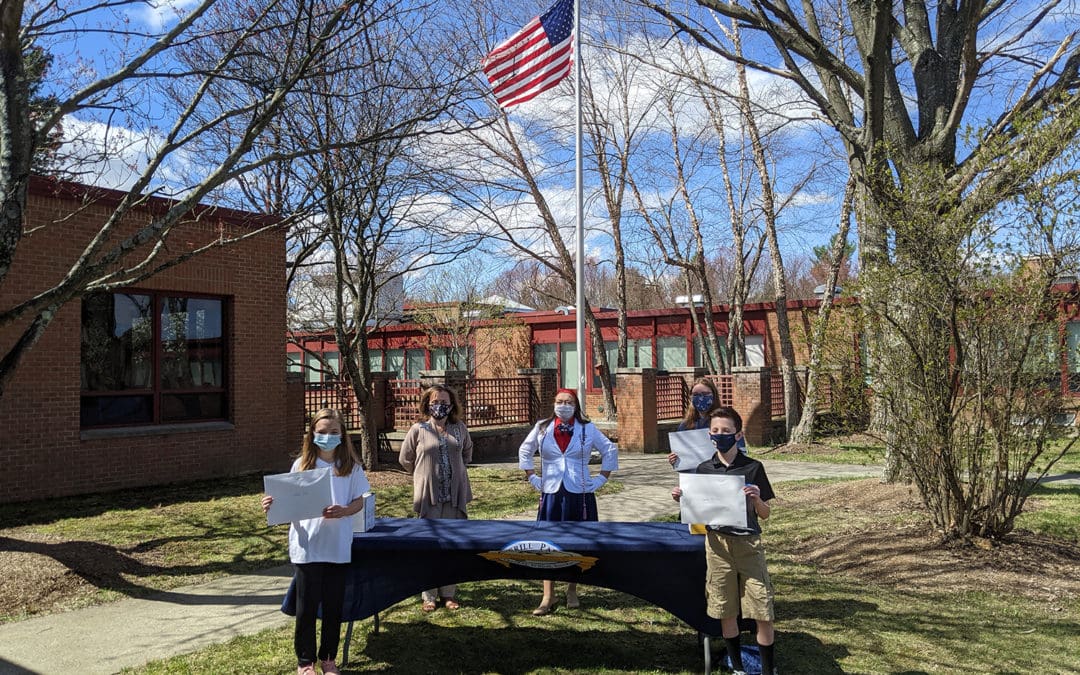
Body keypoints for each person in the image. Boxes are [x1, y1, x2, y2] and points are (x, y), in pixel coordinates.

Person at [261, 408, 371, 675]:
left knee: (333, 607)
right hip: (307, 547)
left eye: (334, 432)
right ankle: (305, 662)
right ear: (312, 434)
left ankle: (329, 658)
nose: (327, 437)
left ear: (343, 435)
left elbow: (360, 500)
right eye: (321, 432)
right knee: (306, 608)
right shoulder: (301, 465)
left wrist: (345, 511)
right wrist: (271, 505)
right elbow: (286, 500)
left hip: (337, 546)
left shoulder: (350, 468)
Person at [671, 406, 777, 675]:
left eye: (727, 431)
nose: (721, 435)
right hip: (717, 545)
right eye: (716, 431)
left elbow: (765, 514)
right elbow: (696, 511)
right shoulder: (704, 469)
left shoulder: (753, 468)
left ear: (738, 435)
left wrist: (756, 499)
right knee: (724, 606)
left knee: (762, 608)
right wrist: (682, 498)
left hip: (748, 545)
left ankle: (767, 670)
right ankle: (738, 668)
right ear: (709, 435)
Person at [518, 388, 618, 615]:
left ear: (576, 405)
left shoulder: (587, 428)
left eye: (568, 402)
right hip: (551, 492)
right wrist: (532, 476)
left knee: (577, 541)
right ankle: (548, 595)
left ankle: (572, 588)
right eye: (559, 401)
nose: (563, 405)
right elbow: (525, 449)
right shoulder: (542, 427)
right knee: (547, 542)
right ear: (554, 404)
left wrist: (602, 478)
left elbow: (609, 450)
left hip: (579, 493)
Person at [398, 384, 474, 612]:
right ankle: (429, 596)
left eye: (444, 401)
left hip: (454, 497)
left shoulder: (459, 428)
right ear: (427, 404)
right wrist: (422, 475)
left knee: (451, 546)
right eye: (435, 401)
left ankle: (449, 594)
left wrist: (456, 472)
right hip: (429, 498)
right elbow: (405, 458)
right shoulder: (418, 430)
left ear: (451, 405)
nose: (439, 406)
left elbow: (468, 453)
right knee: (430, 547)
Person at [668, 378, 746, 469]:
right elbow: (680, 457)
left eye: (705, 394)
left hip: (722, 475)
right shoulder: (685, 425)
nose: (701, 398)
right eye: (696, 395)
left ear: (714, 395)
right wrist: (674, 460)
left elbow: (741, 452)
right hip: (692, 477)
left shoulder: (726, 420)